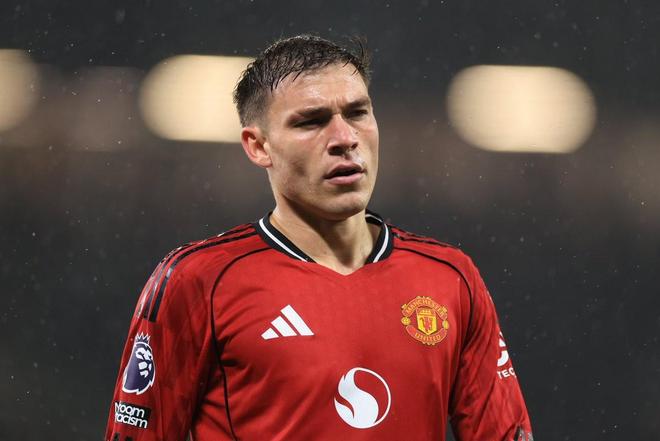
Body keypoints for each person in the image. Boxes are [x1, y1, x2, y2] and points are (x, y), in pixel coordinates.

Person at [105, 34, 533, 441]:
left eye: (358, 113)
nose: (345, 139)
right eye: (311, 122)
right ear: (258, 146)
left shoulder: (450, 279)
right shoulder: (198, 281)